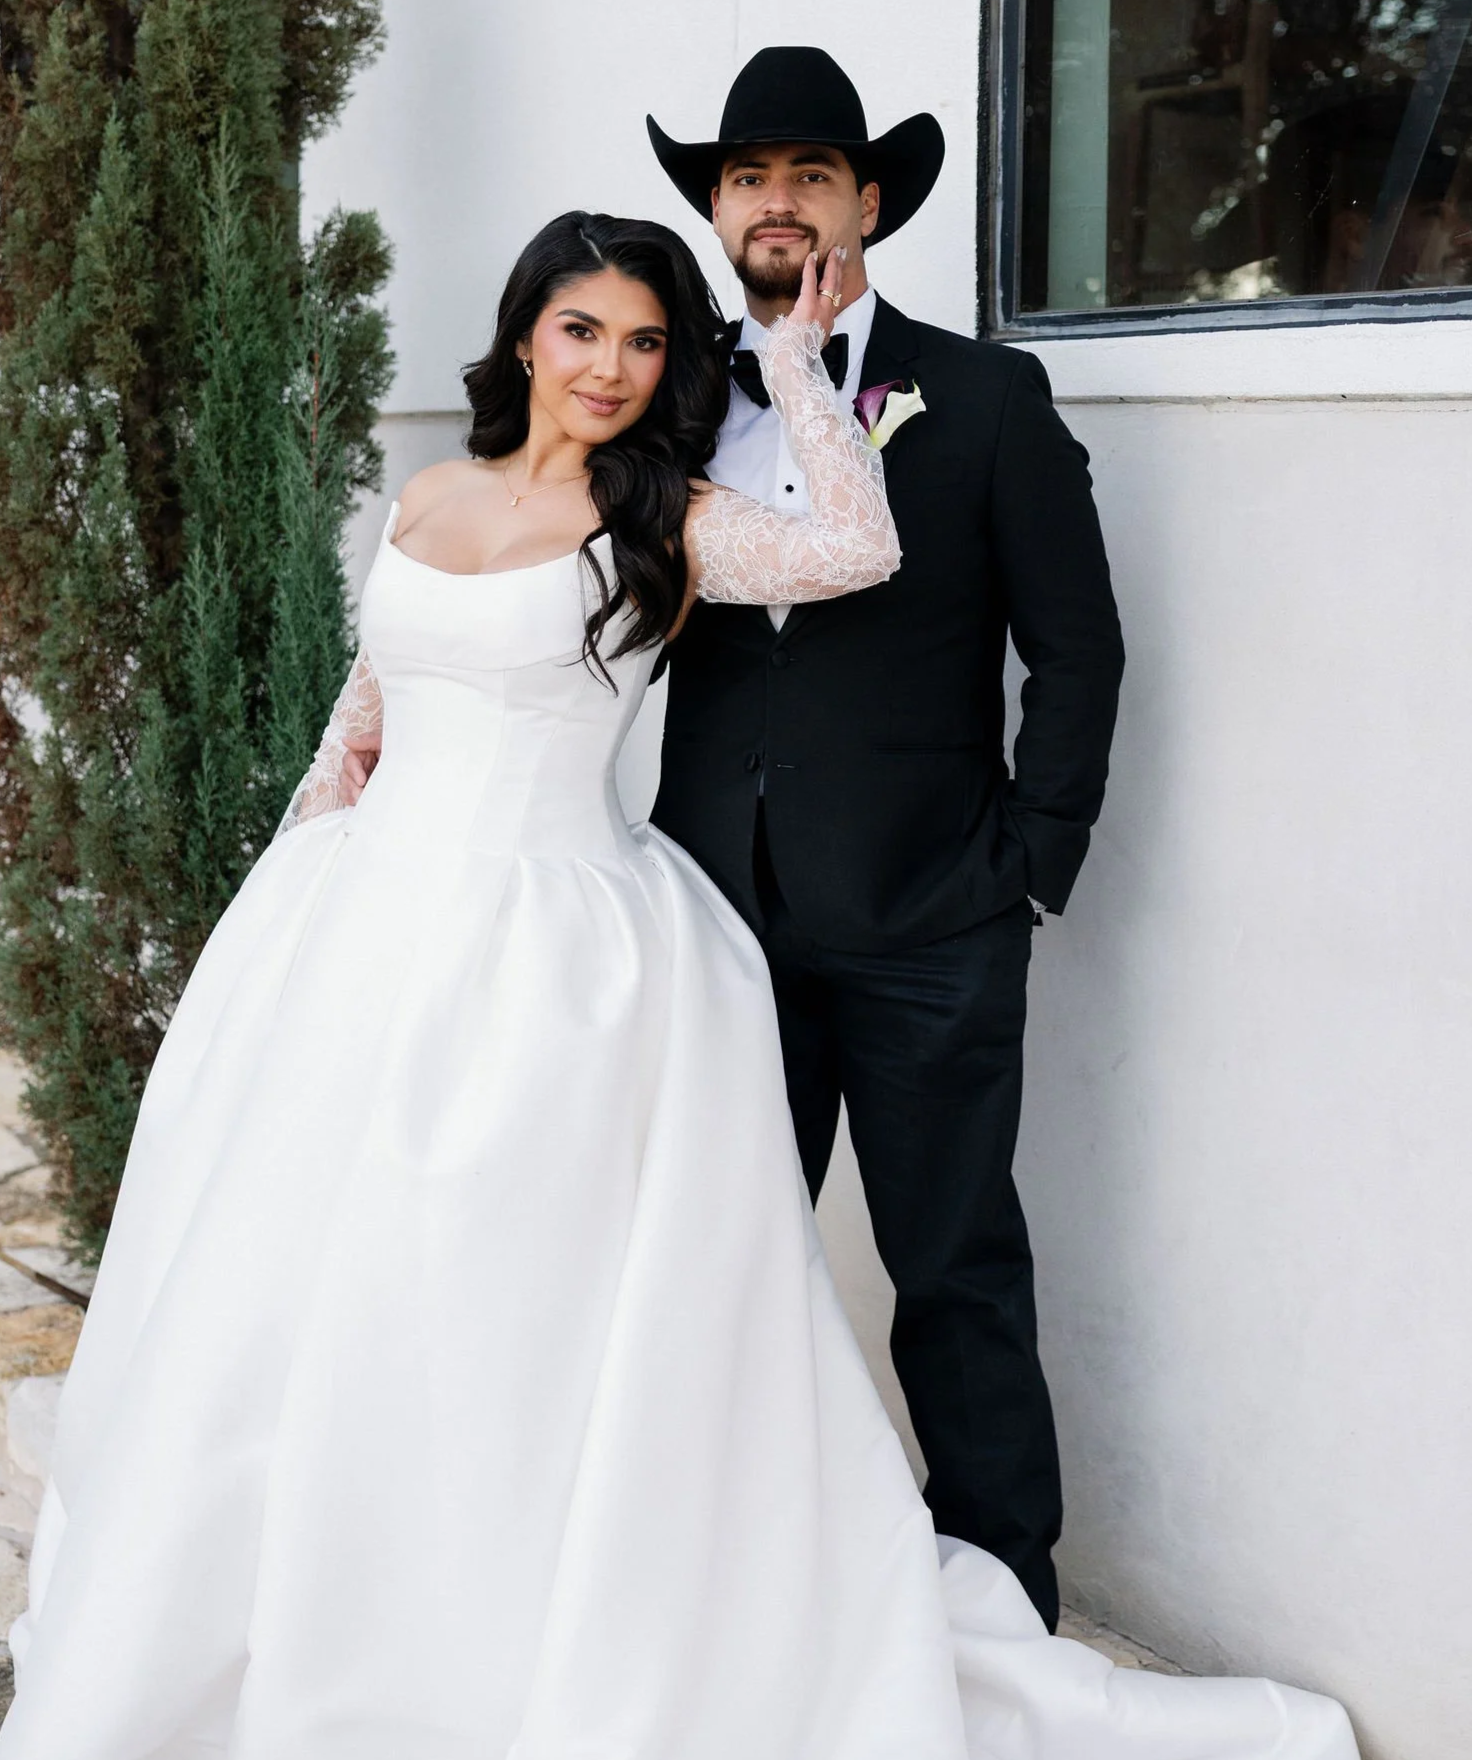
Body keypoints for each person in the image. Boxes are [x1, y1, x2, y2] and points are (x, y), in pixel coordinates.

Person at [0, 212, 1355, 1759]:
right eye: (583, 332)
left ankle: (523, 1626)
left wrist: (788, 354)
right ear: (525, 336)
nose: (614, 368)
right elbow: (366, 709)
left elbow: (861, 547)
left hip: (554, 957)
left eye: (647, 342)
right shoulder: (426, 494)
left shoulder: (669, 522)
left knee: (507, 1308)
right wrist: (296, 880)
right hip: (361, 933)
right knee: (302, 1300)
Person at [648, 45, 1125, 1629]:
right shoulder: (671, 394)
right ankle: (737, 1608)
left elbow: (1078, 648)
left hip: (934, 921)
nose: (772, 199)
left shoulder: (983, 393)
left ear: (867, 200)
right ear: (718, 211)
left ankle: (1002, 1617)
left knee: (957, 1276)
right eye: (742, 175)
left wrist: (1027, 867)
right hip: (714, 919)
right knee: (715, 1277)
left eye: (805, 171)